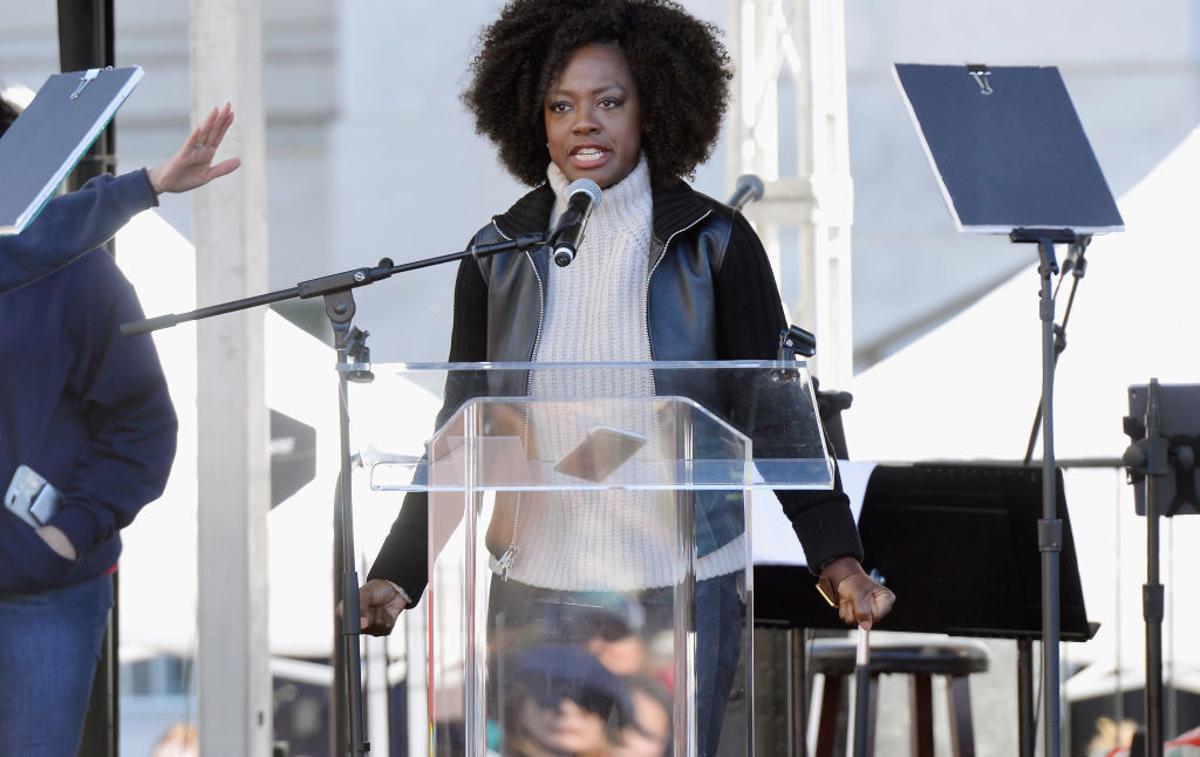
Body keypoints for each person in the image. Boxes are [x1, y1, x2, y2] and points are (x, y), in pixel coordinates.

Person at [358, 1, 895, 752]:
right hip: (535, 591)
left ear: (652, 109)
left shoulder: (714, 244)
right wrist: (399, 570)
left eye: (610, 102)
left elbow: (777, 420)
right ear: (534, 119)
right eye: (563, 106)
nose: (586, 122)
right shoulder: (499, 254)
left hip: (679, 586)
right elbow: (464, 432)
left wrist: (839, 562)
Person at [0, 97, 240, 755]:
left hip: (40, 594)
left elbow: (141, 420)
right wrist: (145, 186)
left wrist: (70, 529)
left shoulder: (78, 274)